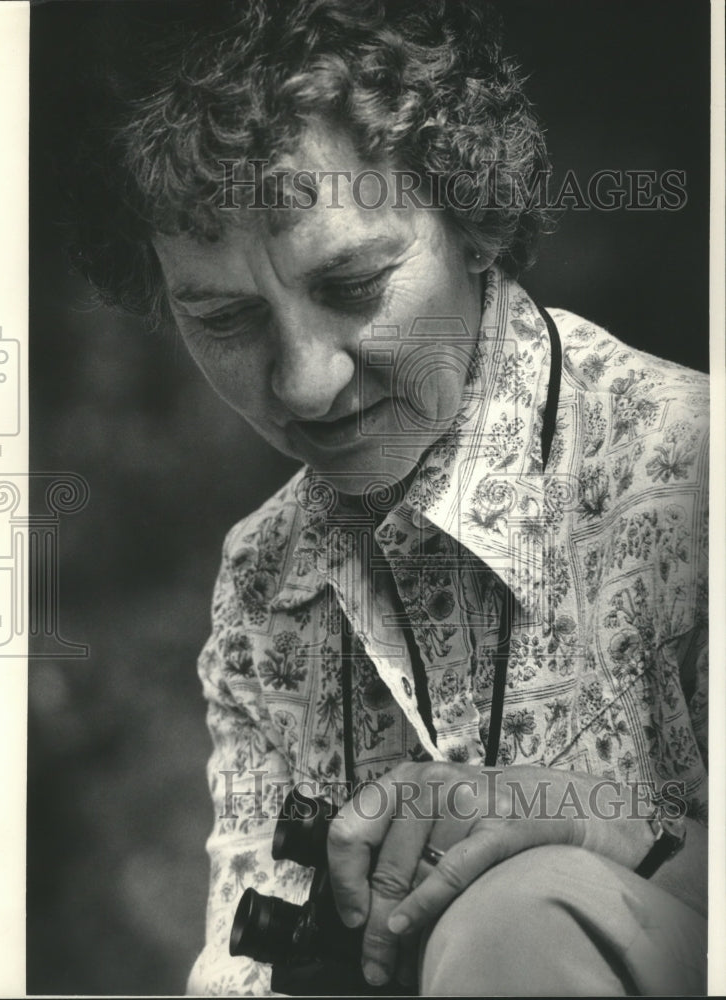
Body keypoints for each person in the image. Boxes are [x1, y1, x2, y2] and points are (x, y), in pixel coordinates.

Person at [68, 0, 709, 994]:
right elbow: (243, 964)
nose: (304, 383)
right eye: (226, 318)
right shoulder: (263, 579)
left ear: (473, 219)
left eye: (355, 284)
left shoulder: (694, 470)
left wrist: (610, 836)